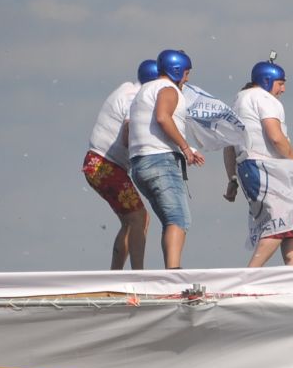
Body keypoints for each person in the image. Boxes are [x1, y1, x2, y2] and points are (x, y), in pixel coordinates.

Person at [223, 59, 293, 267]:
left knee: (291, 225)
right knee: (279, 225)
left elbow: (228, 146)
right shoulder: (264, 99)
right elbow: (276, 137)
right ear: (267, 80)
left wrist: (232, 179)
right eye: (280, 83)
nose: (283, 89)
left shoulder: (238, 101)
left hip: (248, 168)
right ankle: (248, 276)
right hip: (264, 167)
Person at [126, 48, 205, 269]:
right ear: (177, 70)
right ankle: (173, 274)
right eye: (186, 73)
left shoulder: (142, 92)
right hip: (161, 161)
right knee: (179, 219)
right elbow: (162, 117)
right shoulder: (168, 89)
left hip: (139, 164)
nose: (187, 79)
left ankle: (170, 270)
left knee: (170, 221)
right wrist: (185, 148)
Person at [82, 59, 157, 269]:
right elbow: (127, 132)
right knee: (140, 218)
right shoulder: (136, 98)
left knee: (130, 220)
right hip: (106, 165)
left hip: (96, 163)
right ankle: (138, 276)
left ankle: (116, 274)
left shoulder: (127, 89)